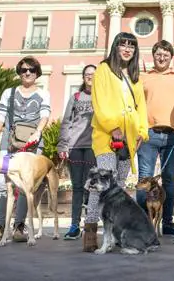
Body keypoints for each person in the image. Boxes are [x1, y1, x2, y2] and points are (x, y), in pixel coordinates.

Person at [82, 32, 149, 252]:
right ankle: (90, 231)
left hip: (128, 141)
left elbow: (141, 108)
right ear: (116, 47)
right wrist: (113, 126)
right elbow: (99, 101)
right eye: (123, 44)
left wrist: (141, 132)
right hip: (106, 138)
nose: (127, 49)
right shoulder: (104, 69)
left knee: (118, 189)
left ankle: (113, 236)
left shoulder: (135, 76)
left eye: (132, 45)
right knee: (99, 186)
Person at [0, 56, 51, 242]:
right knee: (4, 186)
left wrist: (38, 132)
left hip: (32, 145)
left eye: (32, 70)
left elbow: (44, 115)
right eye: (24, 70)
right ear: (19, 73)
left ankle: (19, 227)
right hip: (9, 144)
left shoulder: (43, 94)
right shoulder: (9, 93)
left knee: (25, 187)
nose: (28, 73)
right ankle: (0, 227)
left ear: (37, 73)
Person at [135, 40, 174, 236]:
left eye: (166, 55)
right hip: (147, 135)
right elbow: (135, 105)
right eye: (158, 54)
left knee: (168, 180)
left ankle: (167, 222)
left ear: (171, 57)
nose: (162, 58)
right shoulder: (142, 77)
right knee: (144, 179)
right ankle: (143, 224)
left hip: (172, 135)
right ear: (153, 55)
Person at [57, 64, 97, 240]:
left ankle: (90, 224)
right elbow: (66, 122)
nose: (90, 76)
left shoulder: (102, 97)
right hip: (74, 147)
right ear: (83, 77)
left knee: (90, 187)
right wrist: (62, 145)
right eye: (87, 74)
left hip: (93, 147)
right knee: (77, 187)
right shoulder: (76, 97)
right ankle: (74, 225)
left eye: (93, 74)